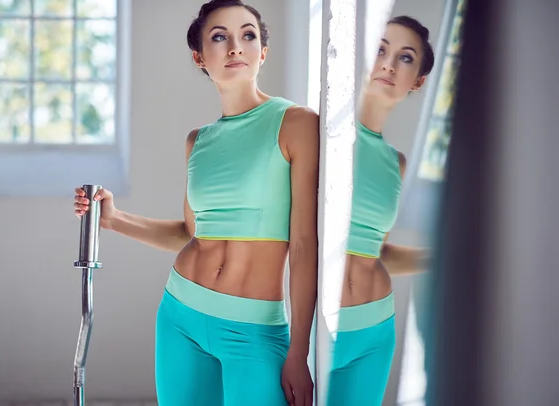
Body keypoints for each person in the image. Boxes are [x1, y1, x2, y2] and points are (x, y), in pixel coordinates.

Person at [73, 1, 319, 405]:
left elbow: (305, 245)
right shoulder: (198, 141)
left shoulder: (297, 123)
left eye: (248, 35)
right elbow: (192, 234)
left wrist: (299, 351)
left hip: (255, 332)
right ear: (200, 57)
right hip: (181, 317)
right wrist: (114, 219)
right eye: (220, 37)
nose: (235, 47)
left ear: (263, 52)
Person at [326, 15, 435, 406]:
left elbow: (378, 253)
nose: (388, 64)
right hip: (320, 322)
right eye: (381, 49)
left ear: (418, 81)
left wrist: (439, 257)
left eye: (405, 58)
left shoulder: (397, 164)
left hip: (375, 332)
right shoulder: (322, 135)